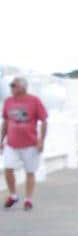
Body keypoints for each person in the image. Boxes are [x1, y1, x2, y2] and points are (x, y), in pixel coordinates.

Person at [1, 77, 47, 210]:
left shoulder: (34, 101)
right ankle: (13, 195)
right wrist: (1, 140)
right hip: (11, 144)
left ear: (23, 87)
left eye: (13, 85)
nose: (11, 88)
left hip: (30, 144)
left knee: (30, 171)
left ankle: (28, 199)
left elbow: (44, 121)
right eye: (11, 85)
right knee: (8, 168)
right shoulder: (8, 102)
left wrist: (41, 140)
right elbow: (5, 122)